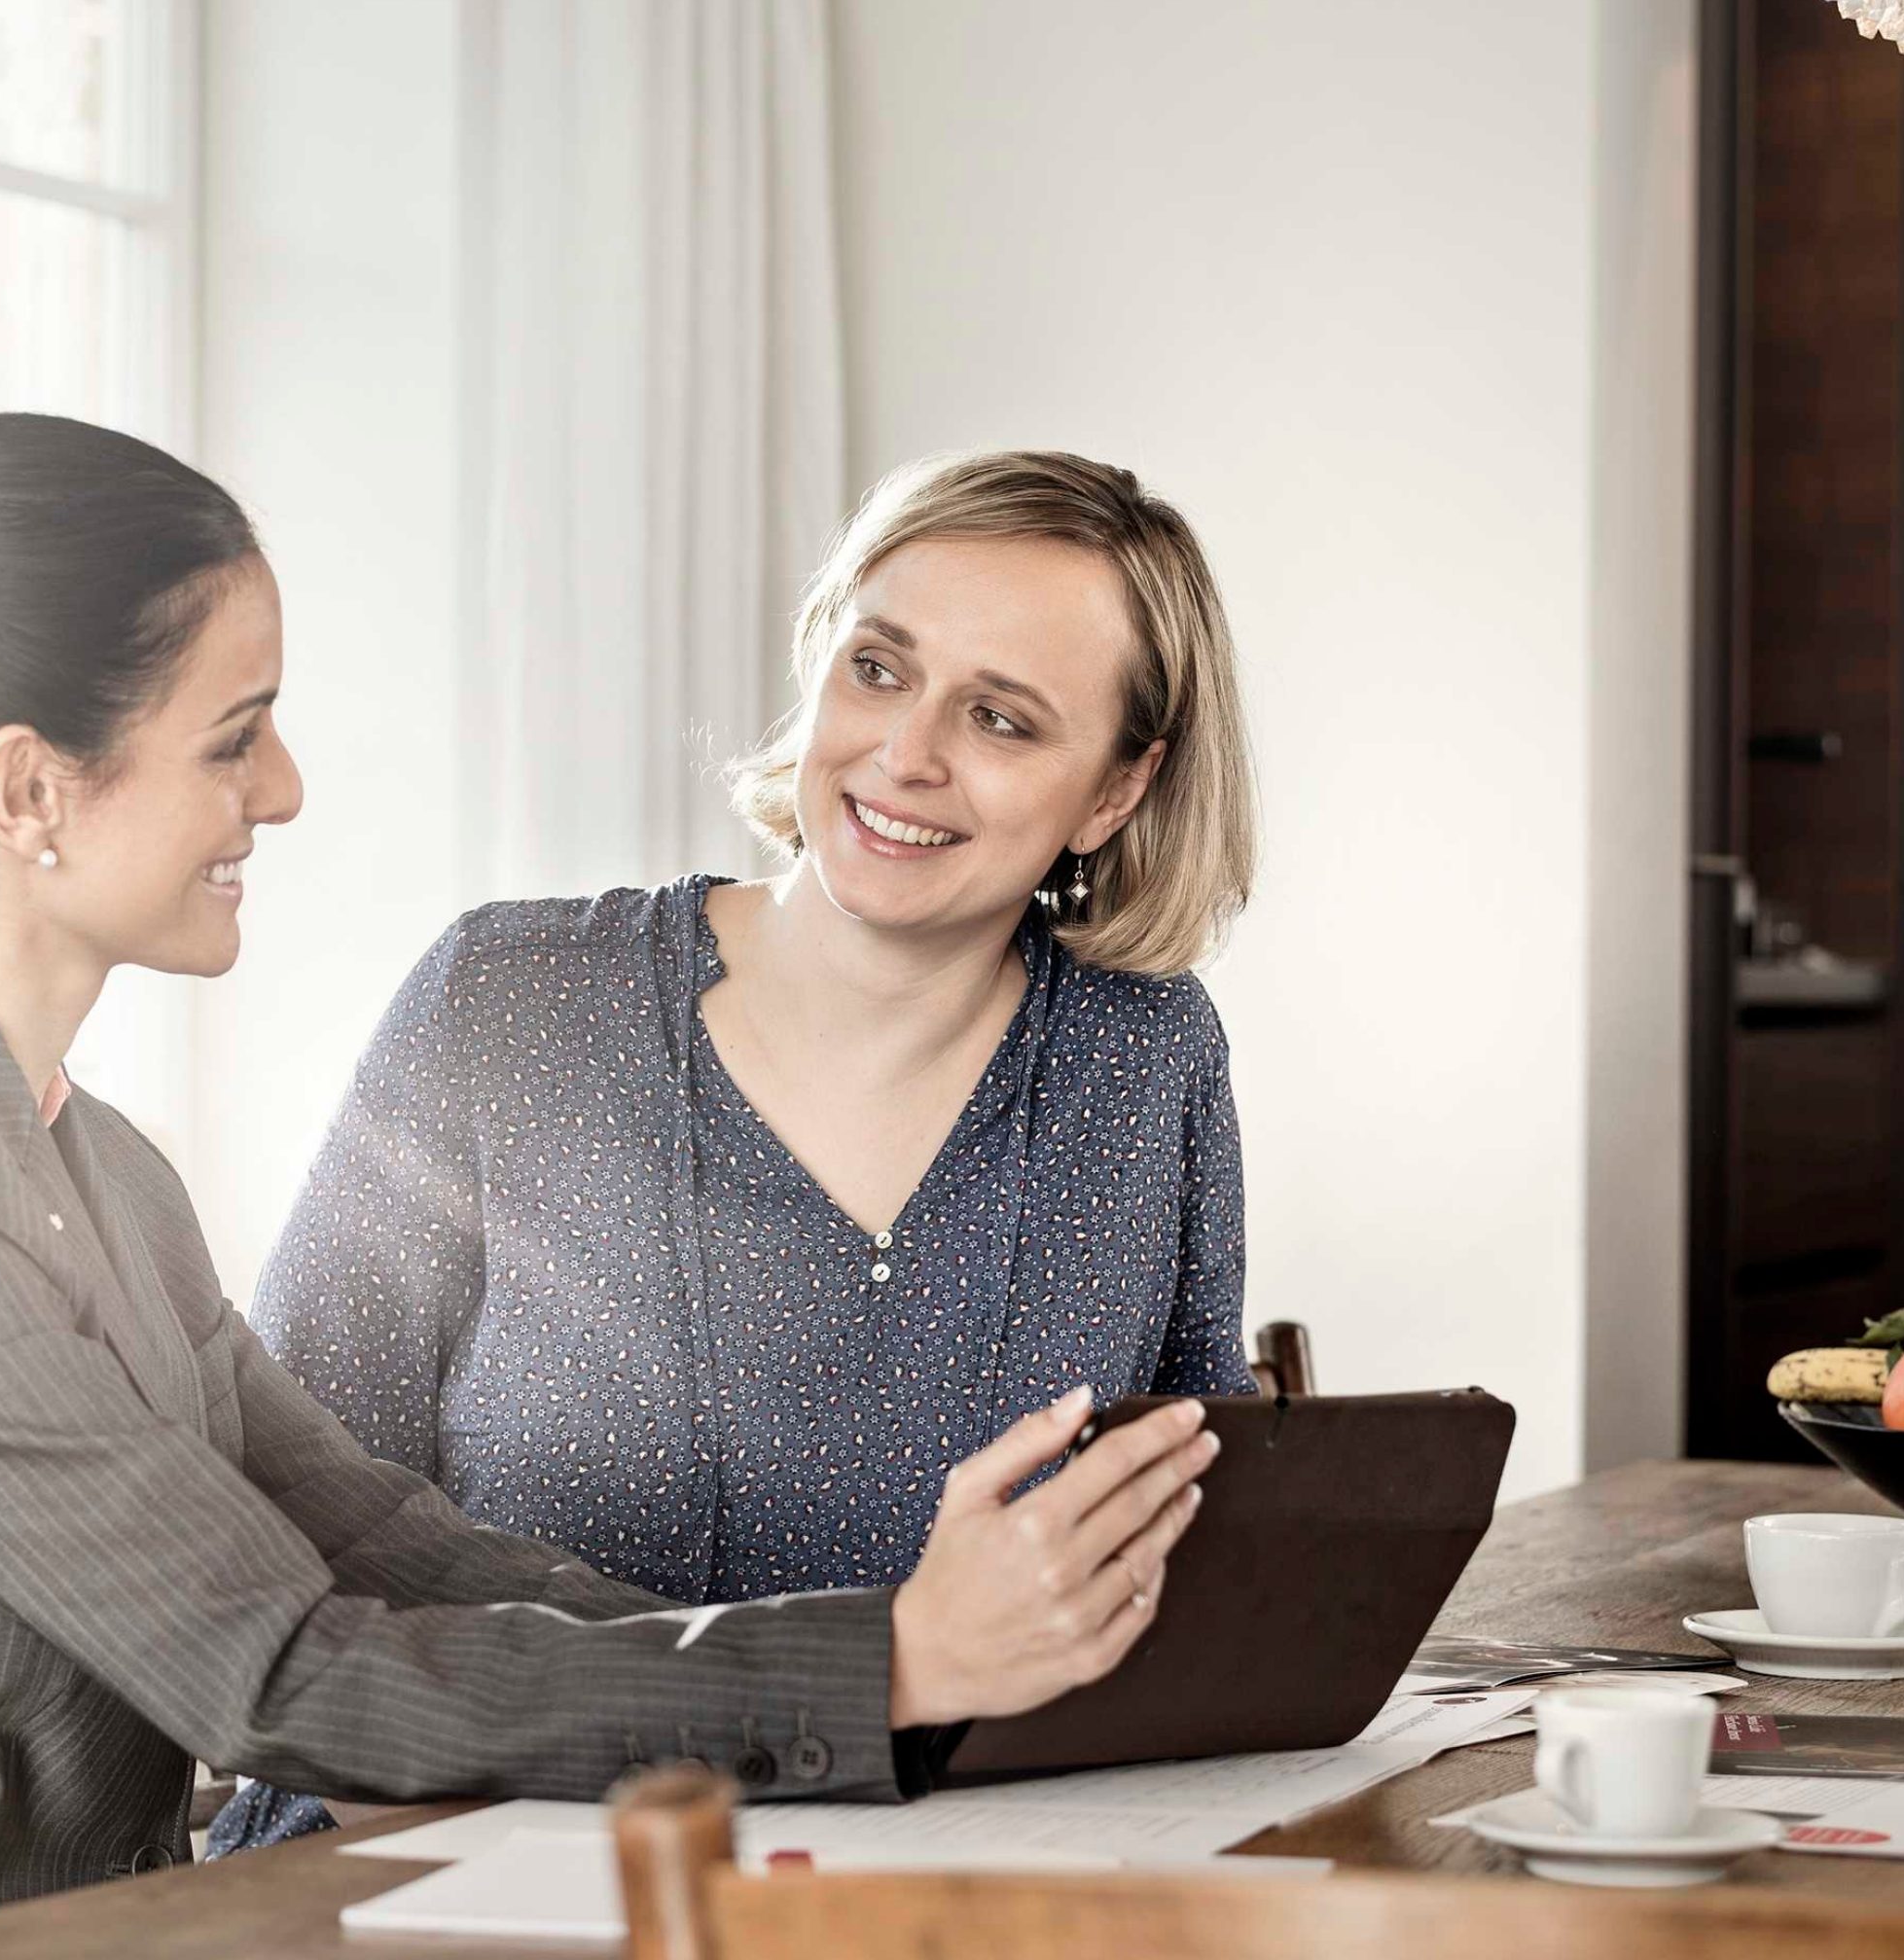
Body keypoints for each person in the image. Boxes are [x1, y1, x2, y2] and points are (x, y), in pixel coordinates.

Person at [0, 416, 1217, 1960]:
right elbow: (276, 1672)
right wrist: (890, 1667)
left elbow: (375, 1535)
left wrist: (836, 1680)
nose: (283, 790)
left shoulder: (86, 1160)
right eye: (234, 740)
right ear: (33, 792)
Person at [215, 448, 1258, 1852]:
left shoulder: (1146, 1060)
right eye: (879, 669)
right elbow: (269, 1532)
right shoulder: (507, 1002)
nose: (905, 754)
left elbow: (1210, 1539)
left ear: (1115, 795)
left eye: (1002, 720)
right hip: (441, 1875)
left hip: (938, 1893)